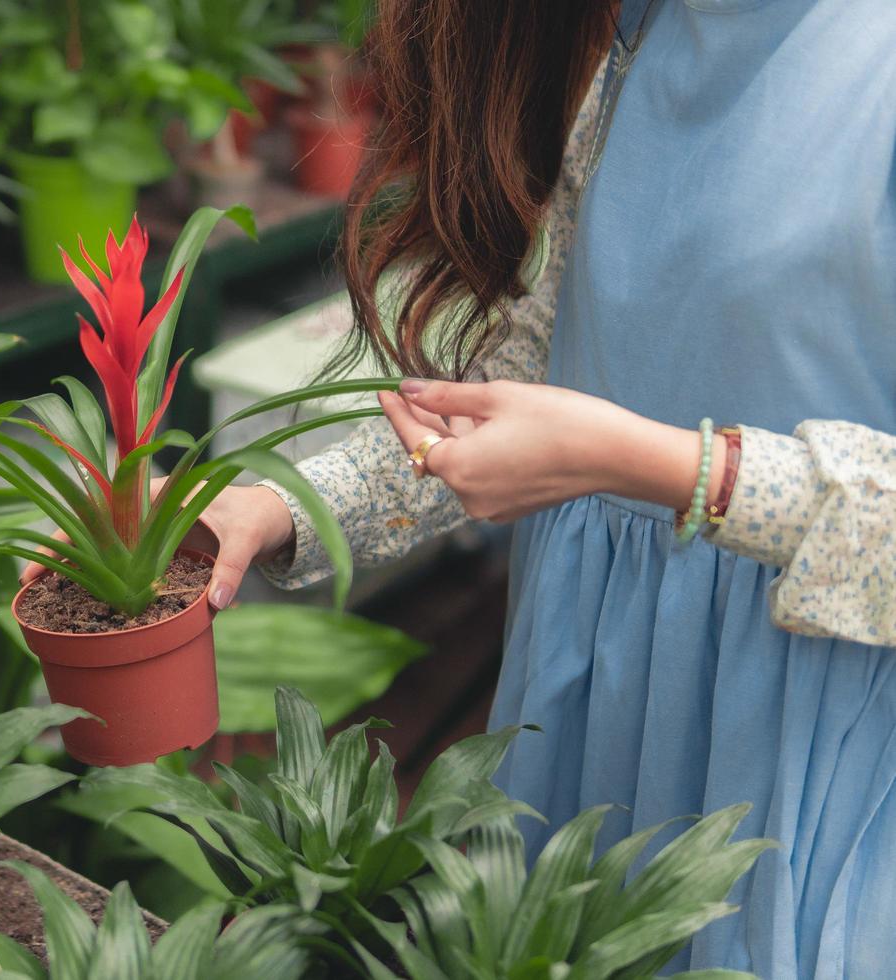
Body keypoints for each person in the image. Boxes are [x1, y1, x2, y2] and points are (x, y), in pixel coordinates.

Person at [187, 1, 896, 975]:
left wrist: (667, 467)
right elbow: (530, 378)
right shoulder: (642, 43)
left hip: (804, 725)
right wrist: (285, 503)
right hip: (590, 691)